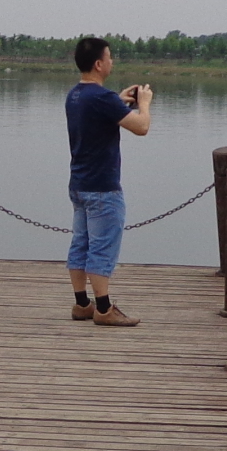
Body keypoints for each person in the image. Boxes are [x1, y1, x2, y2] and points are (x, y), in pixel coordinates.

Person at [64, 35, 152, 326]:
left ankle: (81, 304)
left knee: (81, 243)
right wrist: (145, 104)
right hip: (103, 186)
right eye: (110, 57)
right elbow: (141, 127)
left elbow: (100, 110)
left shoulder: (75, 95)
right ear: (99, 64)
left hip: (79, 184)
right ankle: (103, 309)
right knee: (102, 247)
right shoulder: (102, 98)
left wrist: (119, 100)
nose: (113, 61)